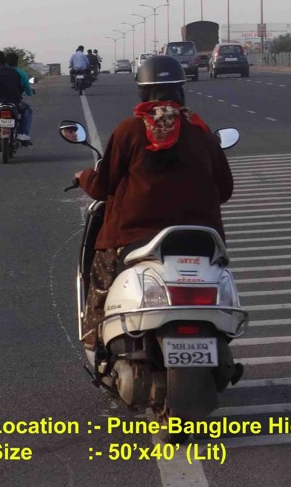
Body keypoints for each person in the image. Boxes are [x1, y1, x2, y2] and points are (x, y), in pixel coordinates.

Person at [74, 55, 233, 347]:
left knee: (100, 276)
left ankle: (96, 343)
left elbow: (101, 188)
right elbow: (225, 189)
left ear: (143, 92)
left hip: (135, 237)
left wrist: (83, 176)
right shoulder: (201, 130)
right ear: (181, 89)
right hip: (201, 239)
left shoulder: (128, 131)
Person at [4, 52, 34, 143]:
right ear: (16, 62)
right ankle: (23, 133)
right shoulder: (21, 73)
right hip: (15, 101)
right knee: (28, 109)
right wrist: (30, 93)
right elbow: (27, 90)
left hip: (0, 101)